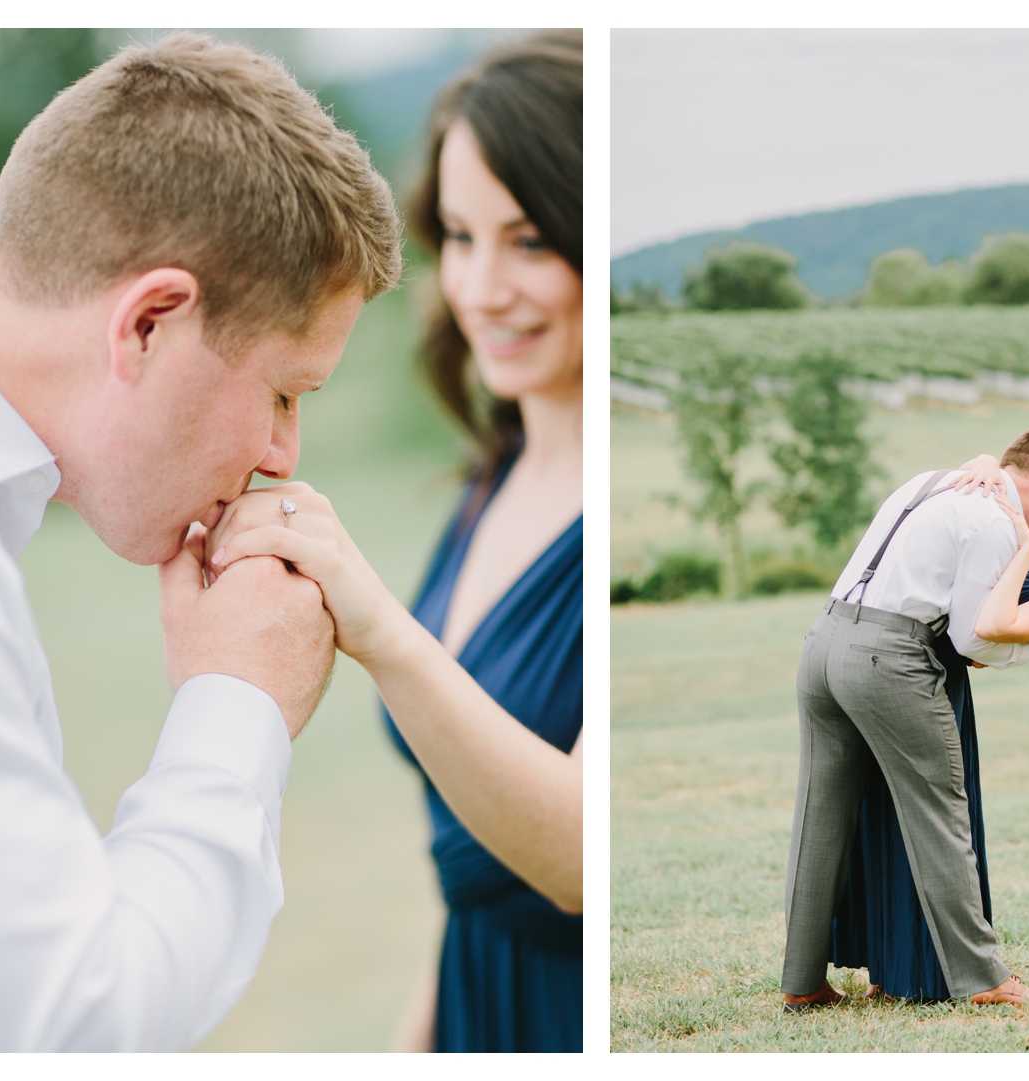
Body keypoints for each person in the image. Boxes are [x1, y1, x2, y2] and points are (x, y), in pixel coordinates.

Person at [0, 33, 401, 1050]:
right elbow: (71, 1029)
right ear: (149, 325)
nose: (279, 452)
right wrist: (239, 701)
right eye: (282, 391)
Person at [204, 30, 583, 1052]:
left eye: (533, 240)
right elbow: (470, 877)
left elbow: (586, 864)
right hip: (474, 1004)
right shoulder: (490, 480)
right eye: (460, 236)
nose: (483, 285)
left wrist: (376, 627)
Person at [828, 453, 1029, 1003]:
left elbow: (989, 627)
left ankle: (935, 973)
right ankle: (889, 967)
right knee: (886, 819)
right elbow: (1003, 503)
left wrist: (1024, 548)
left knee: (937, 830)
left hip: (932, 684)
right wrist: (985, 460)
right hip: (900, 668)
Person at [782, 429, 1029, 1013]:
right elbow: (971, 634)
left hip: (822, 642)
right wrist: (1022, 648)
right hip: (888, 659)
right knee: (941, 814)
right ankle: (985, 979)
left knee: (818, 817)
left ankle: (801, 983)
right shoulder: (999, 523)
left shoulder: (928, 482)